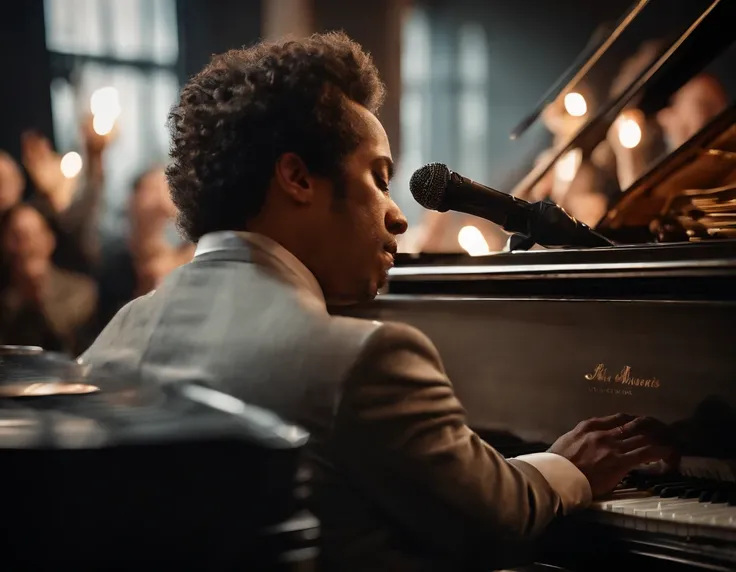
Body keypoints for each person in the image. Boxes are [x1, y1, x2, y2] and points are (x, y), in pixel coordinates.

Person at [80, 32, 674, 571]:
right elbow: (494, 519)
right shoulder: (362, 358)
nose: (397, 217)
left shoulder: (115, 338)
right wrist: (568, 467)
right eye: (380, 177)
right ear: (298, 178)